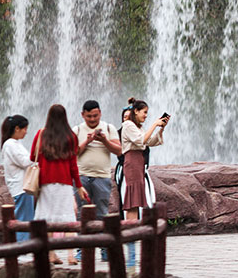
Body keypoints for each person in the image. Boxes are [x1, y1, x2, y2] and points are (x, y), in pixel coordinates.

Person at [31, 104, 90, 265]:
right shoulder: (71, 137)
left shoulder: (41, 134)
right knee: (68, 217)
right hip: (64, 183)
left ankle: (51, 254)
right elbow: (73, 165)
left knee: (48, 218)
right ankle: (71, 255)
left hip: (46, 183)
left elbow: (31, 157)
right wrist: (79, 185)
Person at [120, 98, 168, 266]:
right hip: (132, 163)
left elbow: (150, 142)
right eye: (144, 112)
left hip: (138, 163)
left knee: (136, 202)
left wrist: (161, 128)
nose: (146, 116)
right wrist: (154, 124)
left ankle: (132, 248)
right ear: (136, 111)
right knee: (133, 203)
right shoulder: (128, 125)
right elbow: (141, 141)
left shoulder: (137, 127)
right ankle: (131, 248)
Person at [73, 100, 120, 262]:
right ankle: (82, 248)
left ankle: (104, 248)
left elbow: (119, 150)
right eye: (89, 116)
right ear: (82, 115)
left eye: (95, 115)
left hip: (102, 177)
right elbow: (72, 153)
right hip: (81, 177)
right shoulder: (77, 130)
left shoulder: (109, 128)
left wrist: (104, 141)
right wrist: (88, 141)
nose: (92, 119)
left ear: (100, 113)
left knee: (102, 213)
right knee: (82, 213)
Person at [0, 114, 34, 242]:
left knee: (25, 219)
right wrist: (38, 153)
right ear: (17, 128)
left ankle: (23, 247)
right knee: (24, 221)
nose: (26, 132)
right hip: (21, 188)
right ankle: (22, 247)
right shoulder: (10, 144)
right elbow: (25, 162)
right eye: (25, 129)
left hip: (22, 187)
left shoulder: (14, 143)